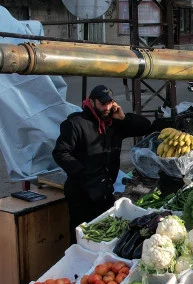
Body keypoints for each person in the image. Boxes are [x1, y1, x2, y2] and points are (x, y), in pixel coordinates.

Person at [53, 85, 154, 231]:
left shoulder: (115, 123)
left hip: (105, 191)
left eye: (109, 103)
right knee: (81, 234)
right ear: (92, 102)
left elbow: (146, 127)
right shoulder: (75, 124)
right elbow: (60, 153)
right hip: (81, 192)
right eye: (102, 103)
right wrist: (84, 174)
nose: (106, 107)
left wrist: (124, 118)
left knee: (102, 232)